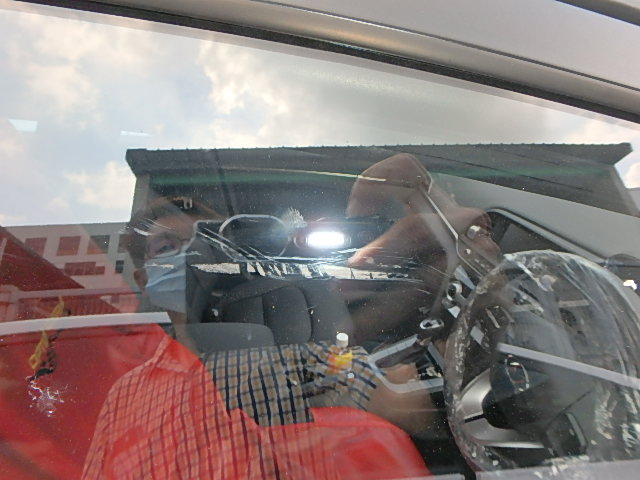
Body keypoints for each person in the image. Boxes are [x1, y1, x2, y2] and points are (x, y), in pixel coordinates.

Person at [82, 153, 498, 478]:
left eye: (206, 241)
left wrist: (466, 284)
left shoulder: (283, 350)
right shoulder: (127, 393)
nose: (193, 257)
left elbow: (419, 409)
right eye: (167, 247)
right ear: (143, 278)